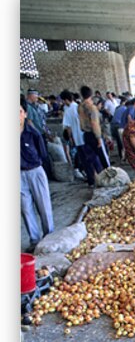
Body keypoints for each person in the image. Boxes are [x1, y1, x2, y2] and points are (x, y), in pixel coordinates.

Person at [20, 98, 54, 250]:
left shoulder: (33, 134)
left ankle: (49, 238)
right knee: (26, 208)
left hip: (35, 171)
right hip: (18, 174)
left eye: (19, 112)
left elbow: (43, 154)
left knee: (43, 206)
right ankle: (34, 240)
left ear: (25, 114)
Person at [78, 85, 110, 185]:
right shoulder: (92, 108)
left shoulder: (80, 106)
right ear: (91, 94)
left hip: (85, 135)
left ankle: (93, 181)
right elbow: (94, 123)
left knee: (90, 159)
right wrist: (99, 138)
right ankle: (109, 179)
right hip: (94, 135)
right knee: (103, 158)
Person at [59, 89, 87, 179]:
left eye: (63, 100)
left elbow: (68, 127)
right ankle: (87, 172)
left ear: (66, 100)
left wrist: (70, 138)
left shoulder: (68, 110)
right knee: (85, 155)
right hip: (84, 135)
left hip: (77, 137)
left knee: (79, 155)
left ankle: (80, 170)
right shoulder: (79, 106)